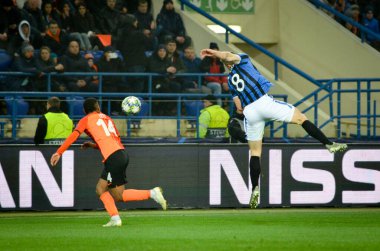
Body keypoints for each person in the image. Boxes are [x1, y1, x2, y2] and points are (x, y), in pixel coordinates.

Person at [200, 48, 348, 209]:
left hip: (250, 111)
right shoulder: (242, 59)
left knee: (255, 153)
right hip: (263, 102)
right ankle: (328, 144)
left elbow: (239, 108)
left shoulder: (230, 80)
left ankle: (255, 188)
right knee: (300, 118)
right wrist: (214, 52)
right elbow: (227, 55)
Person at [50, 98, 167, 227]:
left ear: (84, 110)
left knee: (116, 194)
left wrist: (59, 152)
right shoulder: (107, 118)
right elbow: (112, 140)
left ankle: (151, 194)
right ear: (97, 107)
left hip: (113, 158)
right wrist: (92, 145)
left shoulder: (85, 119)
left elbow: (74, 135)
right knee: (104, 190)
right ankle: (116, 218)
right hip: (120, 154)